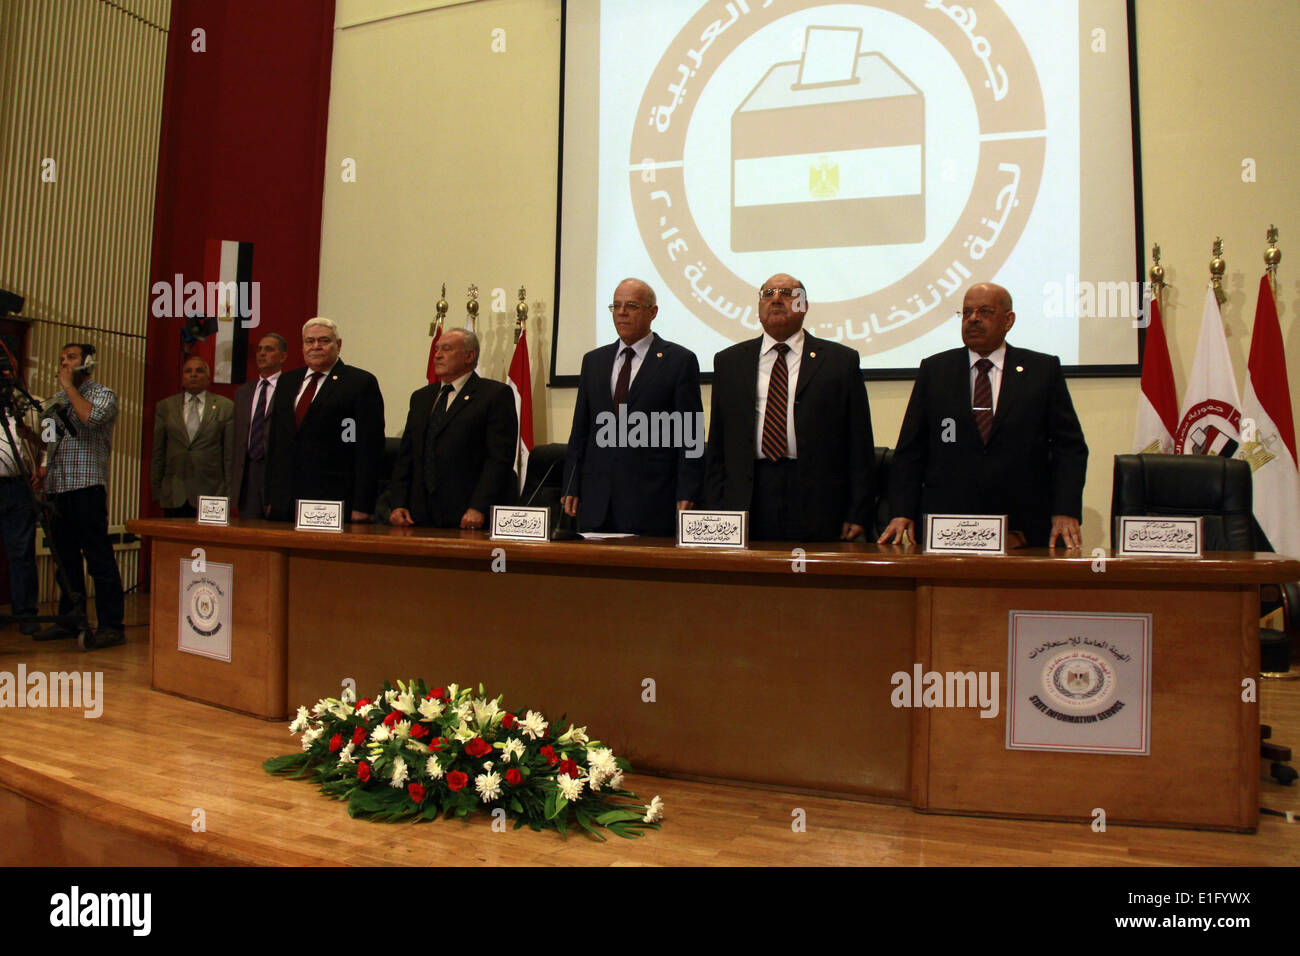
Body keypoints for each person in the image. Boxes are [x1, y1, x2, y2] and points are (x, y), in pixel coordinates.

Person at [878, 282, 1088, 549]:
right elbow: (911, 450)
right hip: (948, 524)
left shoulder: (1042, 370)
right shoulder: (936, 370)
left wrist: (1065, 509)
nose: (973, 319)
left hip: (1024, 525)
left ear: (1008, 320)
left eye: (985, 311)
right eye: (966, 313)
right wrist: (902, 511)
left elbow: (1069, 448)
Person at [705, 273, 874, 541]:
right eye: (768, 294)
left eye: (786, 293)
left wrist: (858, 511)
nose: (776, 299)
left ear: (803, 306)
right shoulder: (729, 362)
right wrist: (715, 508)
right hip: (748, 494)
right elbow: (717, 444)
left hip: (817, 498)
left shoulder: (840, 362)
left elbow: (859, 443)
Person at [563, 278, 703, 536]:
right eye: (615, 306)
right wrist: (571, 485)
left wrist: (688, 490)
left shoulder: (678, 361)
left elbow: (690, 435)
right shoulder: (594, 361)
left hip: (651, 500)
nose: (622, 313)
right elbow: (580, 431)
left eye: (631, 306)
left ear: (653, 312)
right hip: (597, 501)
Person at [36, 342, 126, 649]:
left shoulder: (103, 394)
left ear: (88, 362)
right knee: (65, 560)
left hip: (87, 485)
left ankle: (112, 625)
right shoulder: (55, 400)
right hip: (58, 487)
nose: (64, 363)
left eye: (71, 358)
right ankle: (70, 619)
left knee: (98, 558)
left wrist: (68, 388)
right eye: (61, 359)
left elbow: (92, 419)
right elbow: (47, 440)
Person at [388, 328, 517, 529]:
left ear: (469, 356)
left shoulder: (494, 395)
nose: (437, 355)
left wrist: (479, 507)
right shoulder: (421, 397)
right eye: (437, 349)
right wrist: (398, 504)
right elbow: (407, 455)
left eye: (446, 349)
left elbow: (499, 459)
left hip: (467, 515)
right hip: (419, 516)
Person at [264, 318, 384, 522]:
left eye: (324, 340)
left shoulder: (359, 383)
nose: (316, 346)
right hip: (285, 500)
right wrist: (270, 497)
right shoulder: (287, 381)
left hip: (333, 500)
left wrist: (363, 504)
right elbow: (276, 443)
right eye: (309, 341)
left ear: (339, 345)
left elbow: (367, 448)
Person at [150, 356, 234, 517]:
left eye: (199, 371)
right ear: (182, 377)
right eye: (188, 371)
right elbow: (158, 453)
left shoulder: (226, 407)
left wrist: (229, 493)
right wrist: (157, 490)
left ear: (208, 377)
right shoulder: (165, 407)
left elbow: (229, 456)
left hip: (212, 493)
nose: (193, 375)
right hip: (174, 491)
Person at [230, 333, 288, 519]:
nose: (262, 354)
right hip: (248, 474)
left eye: (269, 349)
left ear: (283, 356)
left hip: (276, 472)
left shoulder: (291, 387)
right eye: (260, 349)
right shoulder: (243, 392)